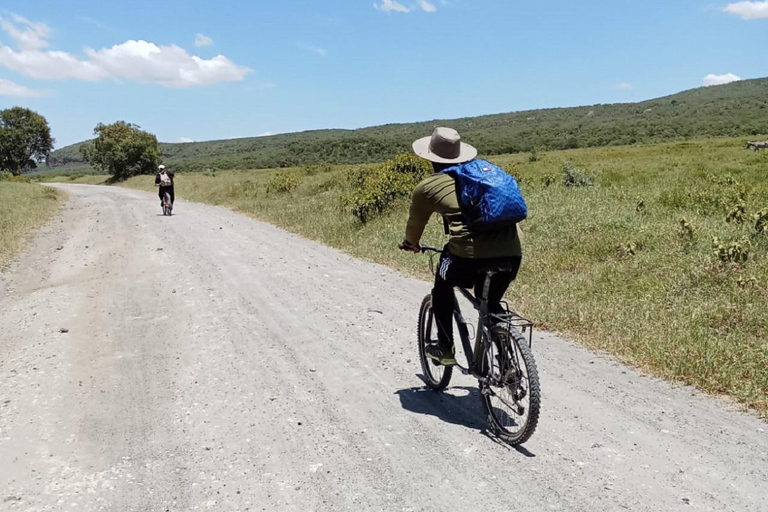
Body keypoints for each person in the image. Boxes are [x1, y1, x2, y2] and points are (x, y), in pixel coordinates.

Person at [400, 127, 522, 366]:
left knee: (442, 285)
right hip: (512, 254)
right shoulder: (484, 175)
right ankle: (507, 361)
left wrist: (410, 244)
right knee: (492, 302)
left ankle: (445, 348)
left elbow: (415, 224)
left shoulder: (428, 187)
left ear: (430, 157)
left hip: (467, 259)